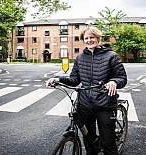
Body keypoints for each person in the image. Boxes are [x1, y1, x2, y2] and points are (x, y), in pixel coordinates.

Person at [46, 26, 127, 155]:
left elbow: (122, 77)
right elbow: (74, 79)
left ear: (98, 38)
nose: (89, 40)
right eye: (86, 38)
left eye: (92, 38)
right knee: (89, 141)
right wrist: (57, 79)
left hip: (104, 104)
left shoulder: (111, 56)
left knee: (108, 144)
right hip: (84, 104)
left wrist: (113, 82)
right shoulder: (80, 57)